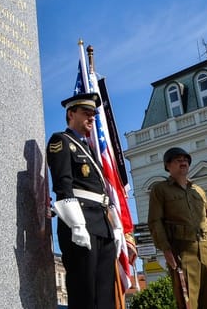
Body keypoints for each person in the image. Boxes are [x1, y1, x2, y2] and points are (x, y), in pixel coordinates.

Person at [46, 91, 118, 309]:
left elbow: (102, 192)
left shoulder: (89, 149)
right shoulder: (61, 141)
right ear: (71, 114)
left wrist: (114, 226)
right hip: (81, 223)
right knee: (84, 292)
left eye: (94, 114)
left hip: (102, 224)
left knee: (105, 294)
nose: (91, 118)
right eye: (86, 113)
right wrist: (77, 225)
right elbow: (63, 185)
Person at [148, 147, 207, 309]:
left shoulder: (198, 190)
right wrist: (166, 249)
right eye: (178, 160)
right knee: (188, 301)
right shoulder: (160, 189)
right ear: (168, 165)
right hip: (182, 250)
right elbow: (155, 221)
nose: (183, 162)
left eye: (185, 160)